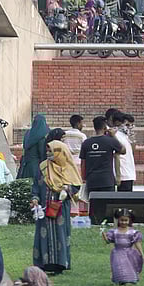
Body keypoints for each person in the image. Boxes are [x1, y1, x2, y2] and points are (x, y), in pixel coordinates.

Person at [38, 129, 82, 271]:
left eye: (50, 152)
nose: (48, 154)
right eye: (47, 152)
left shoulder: (68, 168)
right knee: (44, 234)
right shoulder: (44, 167)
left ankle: (61, 264)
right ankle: (46, 263)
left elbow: (76, 185)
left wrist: (66, 190)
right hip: (45, 206)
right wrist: (34, 198)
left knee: (60, 234)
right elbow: (36, 185)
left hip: (61, 208)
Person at [80, 116, 124, 195]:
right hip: (107, 181)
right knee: (108, 205)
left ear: (94, 127)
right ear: (105, 127)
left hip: (91, 181)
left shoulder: (86, 143)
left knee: (93, 205)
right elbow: (123, 150)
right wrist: (113, 135)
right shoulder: (110, 141)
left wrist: (83, 179)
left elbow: (83, 163)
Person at [103, 209, 144, 285]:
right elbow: (108, 241)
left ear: (129, 221)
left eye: (126, 220)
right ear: (118, 220)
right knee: (119, 266)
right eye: (121, 220)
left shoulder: (132, 232)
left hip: (129, 252)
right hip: (117, 252)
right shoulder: (114, 231)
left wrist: (142, 255)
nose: (123, 222)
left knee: (129, 266)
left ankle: (130, 280)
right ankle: (120, 281)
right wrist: (104, 236)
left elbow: (137, 243)